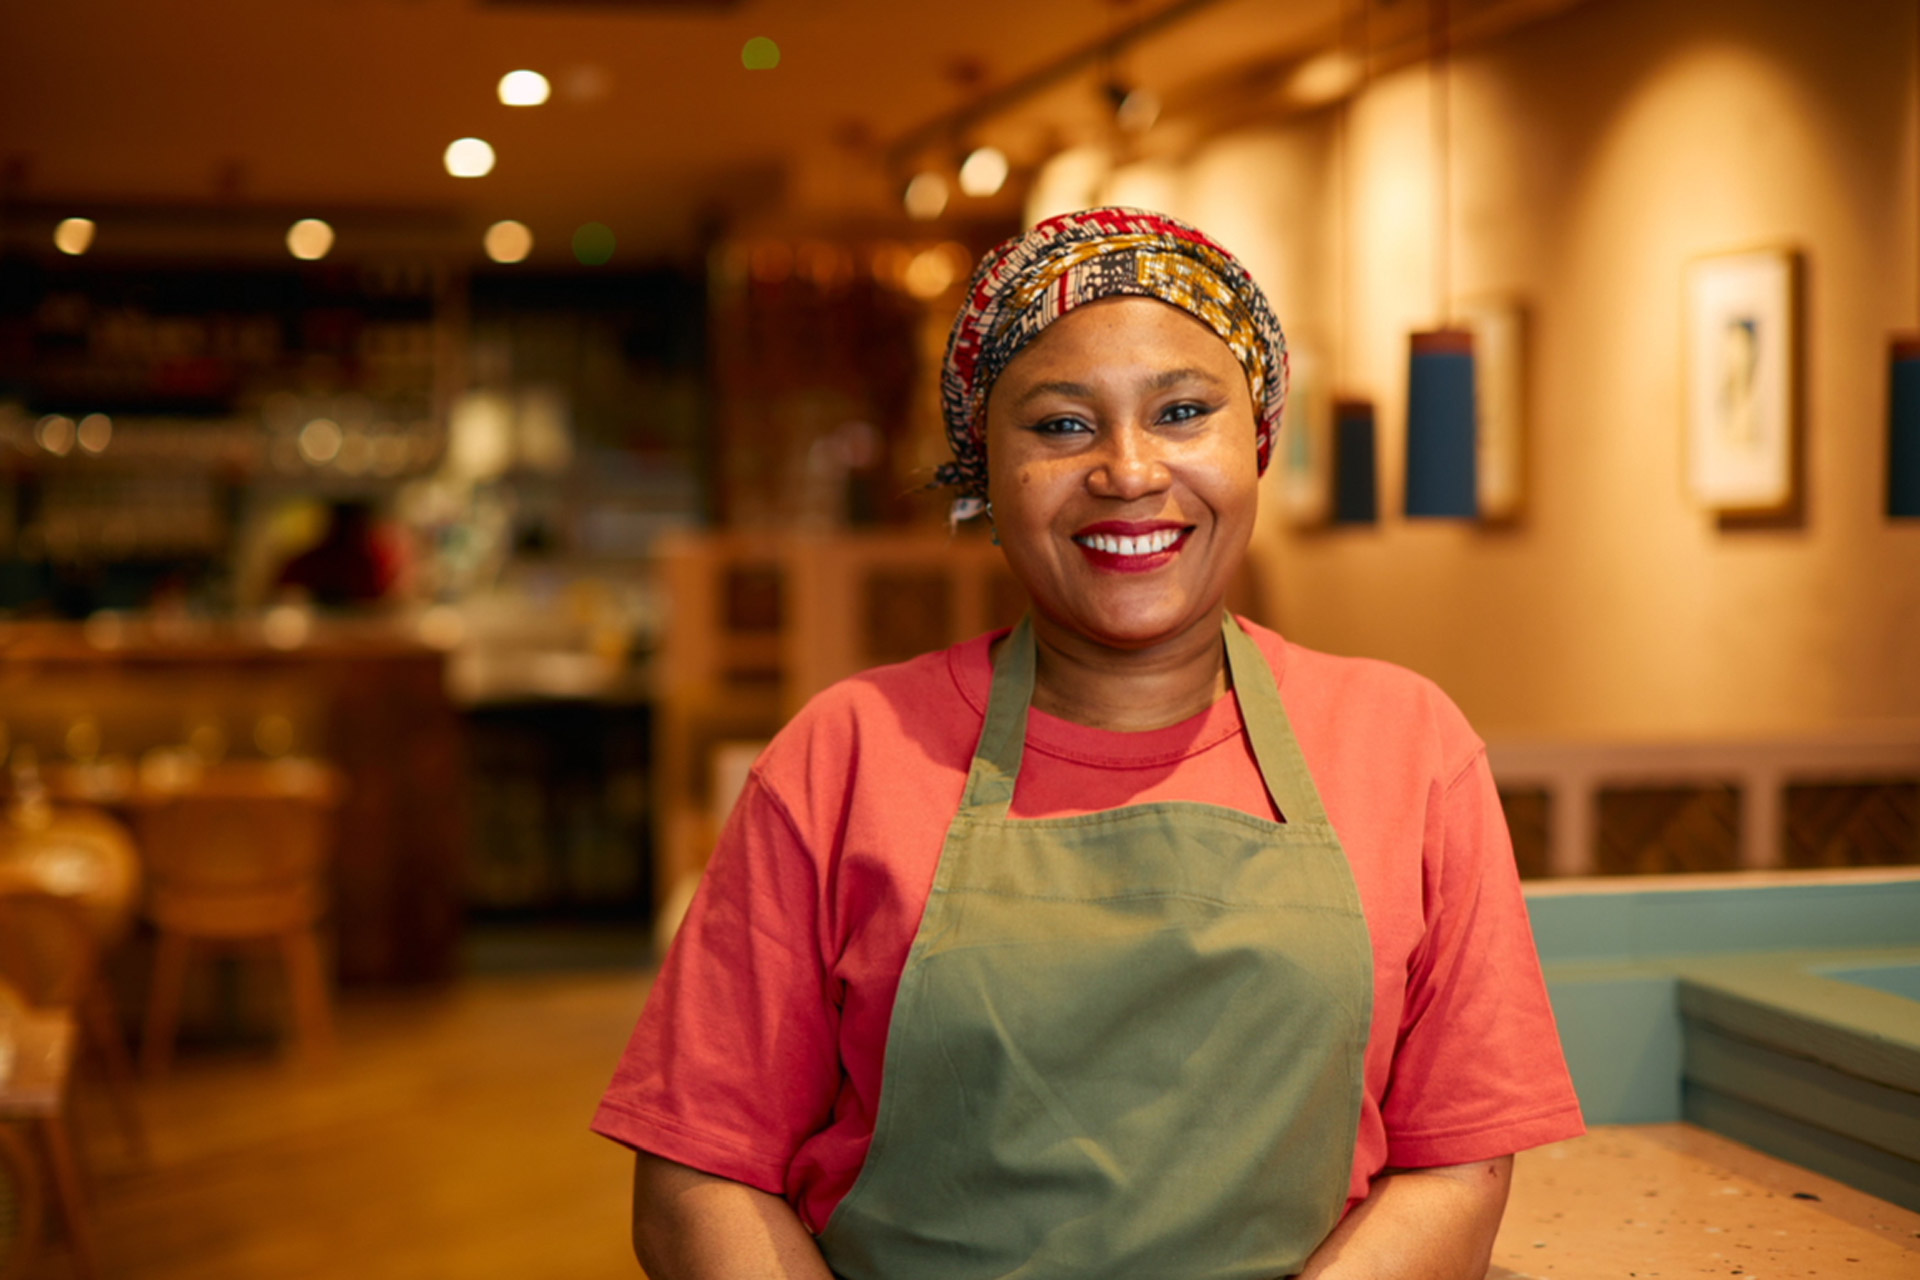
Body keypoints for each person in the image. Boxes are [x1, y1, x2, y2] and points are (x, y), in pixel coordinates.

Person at [593, 207, 1584, 1279]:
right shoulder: (843, 756)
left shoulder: (1407, 745)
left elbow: (1458, 1165)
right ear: (985, 468)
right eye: (1062, 425)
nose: (1128, 471)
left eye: (1183, 412)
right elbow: (699, 1178)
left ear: (1255, 441)